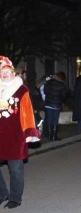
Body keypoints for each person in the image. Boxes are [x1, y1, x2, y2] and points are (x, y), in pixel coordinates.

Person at [0, 56, 40, 209]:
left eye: (7, 72)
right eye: (2, 73)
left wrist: (29, 131)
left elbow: (27, 112)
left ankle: (15, 198)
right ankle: (2, 193)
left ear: (13, 74)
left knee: (15, 168)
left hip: (15, 136)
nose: (4, 75)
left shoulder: (21, 90)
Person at [44, 71, 67, 141]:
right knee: (55, 120)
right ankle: (54, 136)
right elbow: (64, 95)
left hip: (48, 104)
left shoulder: (48, 83)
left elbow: (45, 91)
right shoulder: (62, 85)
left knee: (49, 120)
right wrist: (61, 101)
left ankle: (49, 136)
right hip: (57, 105)